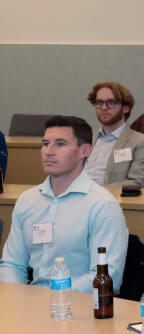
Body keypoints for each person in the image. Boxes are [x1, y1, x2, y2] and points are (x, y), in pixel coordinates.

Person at [0, 116, 128, 292]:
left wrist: (54, 297)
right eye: (45, 144)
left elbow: (108, 276)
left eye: (60, 144)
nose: (49, 151)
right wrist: (19, 297)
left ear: (85, 151)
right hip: (31, 301)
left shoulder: (102, 205)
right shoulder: (27, 200)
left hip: (78, 303)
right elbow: (12, 263)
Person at [83, 81, 144, 188]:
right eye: (99, 102)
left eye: (111, 102)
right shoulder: (86, 138)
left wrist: (97, 192)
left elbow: (138, 183)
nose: (104, 107)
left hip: (109, 196)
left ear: (126, 108)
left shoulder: (141, 142)